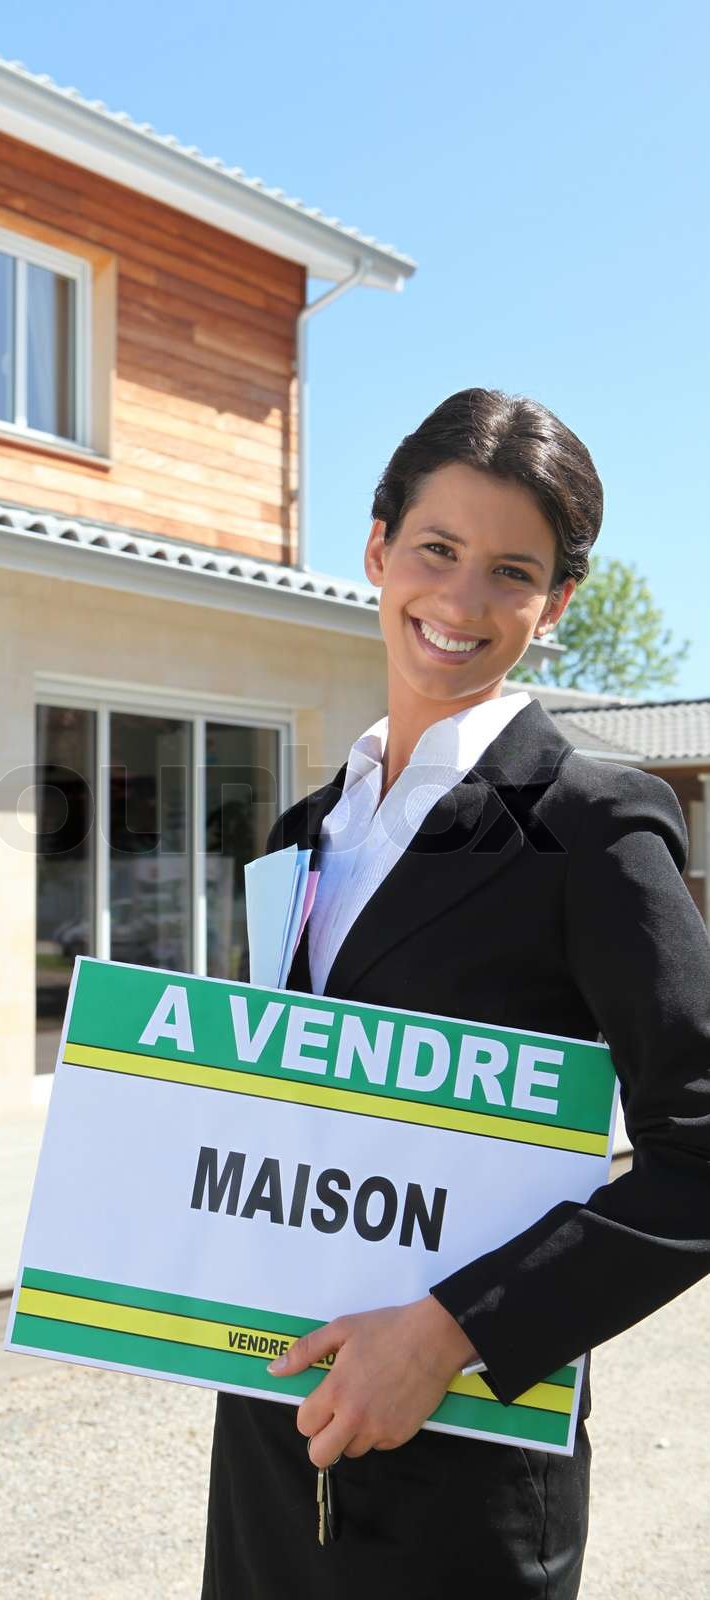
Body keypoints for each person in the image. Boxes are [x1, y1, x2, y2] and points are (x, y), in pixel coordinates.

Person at [200, 387, 710, 1598]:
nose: (461, 601)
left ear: (555, 607)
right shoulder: (303, 829)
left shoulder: (589, 823)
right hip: (269, 1435)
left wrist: (448, 1330)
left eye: (510, 572)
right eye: (436, 549)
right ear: (377, 549)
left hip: (462, 1463)